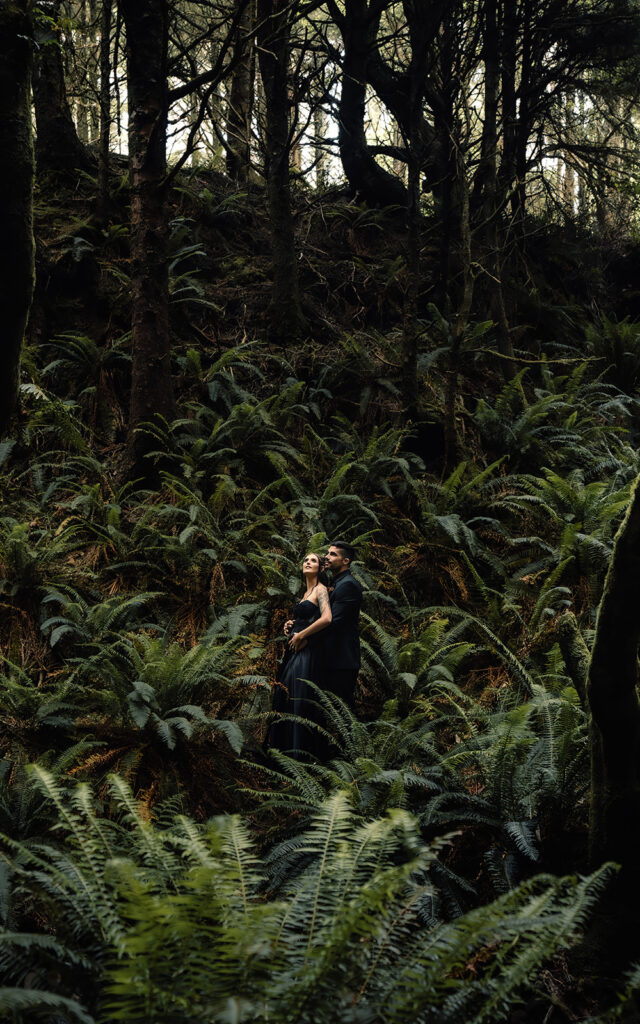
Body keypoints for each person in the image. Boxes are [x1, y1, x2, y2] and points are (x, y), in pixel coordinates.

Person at [267, 552, 332, 758]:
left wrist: (301, 634)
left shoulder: (321, 590)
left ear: (321, 568)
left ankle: (298, 755)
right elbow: (306, 616)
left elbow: (327, 619)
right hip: (294, 650)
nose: (307, 562)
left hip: (307, 652)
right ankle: (282, 752)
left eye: (313, 560)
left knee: (297, 697)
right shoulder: (305, 593)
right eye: (306, 559)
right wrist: (290, 625)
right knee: (285, 695)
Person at [321, 541, 363, 707]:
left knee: (342, 710)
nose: (327, 557)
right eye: (327, 553)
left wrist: (303, 634)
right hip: (332, 657)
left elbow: (333, 622)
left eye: (333, 554)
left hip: (341, 660)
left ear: (346, 561)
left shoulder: (348, 585)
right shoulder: (337, 583)